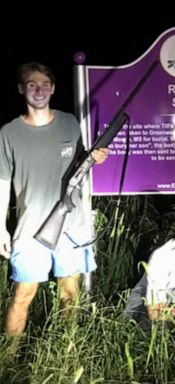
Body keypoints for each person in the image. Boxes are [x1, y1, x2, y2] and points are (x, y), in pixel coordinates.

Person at [0, 61, 109, 337]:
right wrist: (1, 227)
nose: (39, 90)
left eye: (45, 84)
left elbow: (80, 165)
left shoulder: (69, 123)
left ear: (53, 89)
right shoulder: (9, 133)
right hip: (31, 229)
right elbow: (2, 182)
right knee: (23, 295)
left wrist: (94, 158)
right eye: (32, 84)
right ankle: (9, 361)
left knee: (70, 294)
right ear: (21, 89)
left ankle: (65, 352)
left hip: (72, 226)